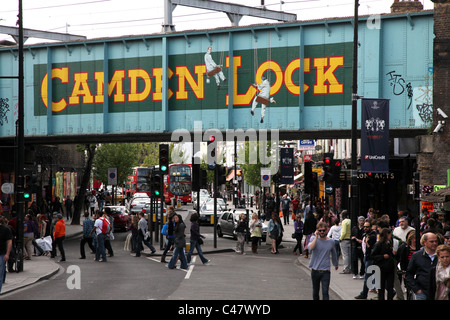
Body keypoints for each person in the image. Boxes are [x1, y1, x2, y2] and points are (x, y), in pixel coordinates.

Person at [308, 221, 339, 300]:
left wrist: (335, 264)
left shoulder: (331, 241)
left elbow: (334, 253)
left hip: (326, 271)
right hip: (315, 270)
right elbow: (310, 248)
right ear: (317, 231)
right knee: (315, 292)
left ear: (327, 230)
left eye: (323, 230)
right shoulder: (313, 239)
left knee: (325, 292)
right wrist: (315, 237)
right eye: (320, 230)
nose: (322, 232)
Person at [405, 232, 439, 300]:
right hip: (422, 291)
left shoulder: (441, 256)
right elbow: (409, 274)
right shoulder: (416, 256)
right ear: (424, 242)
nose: (434, 243)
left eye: (436, 241)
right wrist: (417, 289)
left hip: (438, 291)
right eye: (431, 241)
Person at [355, 219, 378, 299]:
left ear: (371, 227)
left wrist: (367, 243)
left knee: (367, 277)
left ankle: (364, 294)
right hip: (366, 257)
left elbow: (372, 248)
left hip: (370, 258)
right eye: (364, 226)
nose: (365, 228)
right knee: (374, 275)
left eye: (367, 227)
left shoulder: (372, 236)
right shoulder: (365, 234)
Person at [370, 228, 395, 300]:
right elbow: (372, 256)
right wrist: (382, 256)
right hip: (381, 268)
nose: (391, 236)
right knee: (381, 287)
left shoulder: (389, 243)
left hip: (389, 268)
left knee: (390, 287)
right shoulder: (379, 244)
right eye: (389, 234)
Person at [0, 217, 13, 294]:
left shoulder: (5, 229)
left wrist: (7, 254)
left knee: (0, 275)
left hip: (1, 254)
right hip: (2, 254)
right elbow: (9, 242)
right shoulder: (6, 229)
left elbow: (9, 242)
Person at [339, 210, 352, 274]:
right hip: (350, 239)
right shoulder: (350, 221)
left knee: (345, 255)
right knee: (349, 255)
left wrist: (340, 239)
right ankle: (349, 267)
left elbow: (343, 232)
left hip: (344, 239)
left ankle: (346, 268)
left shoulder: (344, 222)